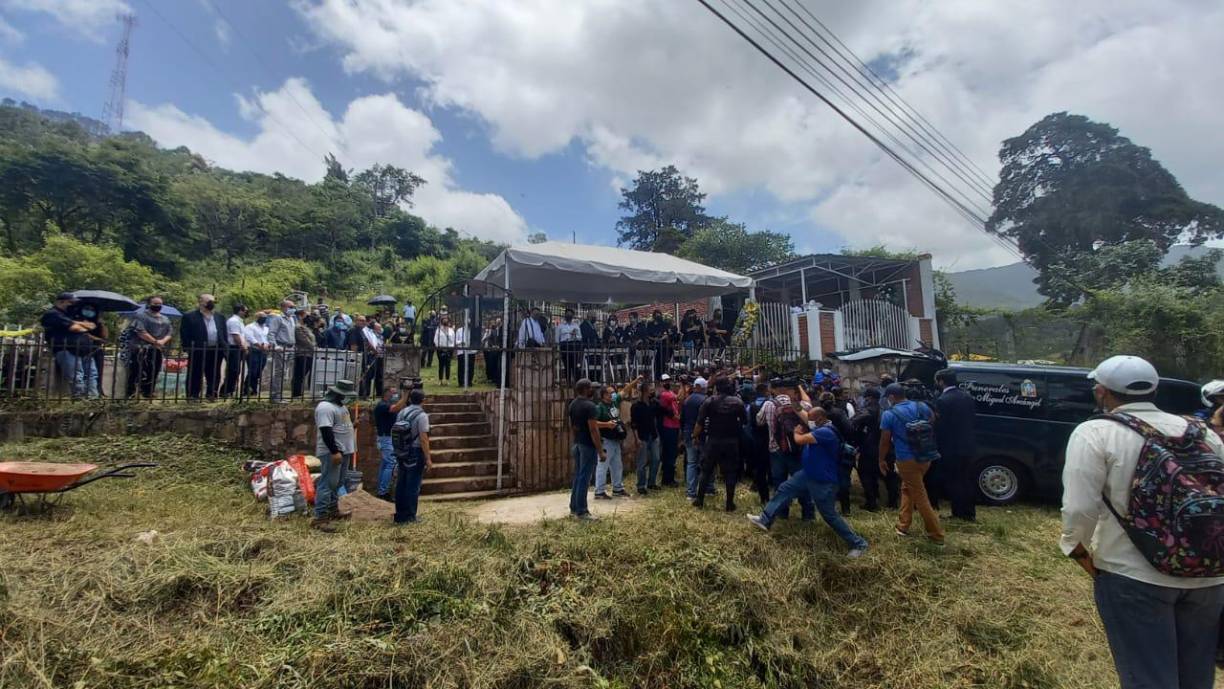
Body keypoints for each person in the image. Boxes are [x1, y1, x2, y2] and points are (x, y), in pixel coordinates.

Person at [1061, 355, 1224, 689]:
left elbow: (1079, 508)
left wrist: (1078, 552)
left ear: (1101, 392)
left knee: (1148, 678)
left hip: (1133, 574)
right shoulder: (1204, 433)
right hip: (1209, 575)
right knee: (1196, 678)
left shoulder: (1096, 432)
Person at [748, 407, 870, 559]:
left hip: (823, 479)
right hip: (808, 473)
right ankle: (765, 519)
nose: (808, 422)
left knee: (829, 515)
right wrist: (795, 401)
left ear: (819, 418)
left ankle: (858, 543)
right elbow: (804, 414)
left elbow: (799, 440)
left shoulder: (824, 432)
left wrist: (796, 431)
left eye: (811, 419)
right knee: (785, 489)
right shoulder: (824, 426)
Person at [879, 383, 944, 545]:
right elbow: (932, 422)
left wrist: (881, 459)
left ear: (892, 397)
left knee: (920, 496)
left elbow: (885, 441)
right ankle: (903, 525)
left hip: (906, 460)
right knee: (908, 488)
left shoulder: (889, 414)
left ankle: (937, 535)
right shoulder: (922, 407)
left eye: (888, 398)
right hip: (926, 456)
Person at [692, 377, 746, 511]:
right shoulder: (738, 402)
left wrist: (695, 436)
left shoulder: (709, 401)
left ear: (717, 388)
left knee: (706, 470)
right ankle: (729, 503)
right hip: (731, 441)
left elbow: (699, 422)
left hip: (713, 440)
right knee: (730, 473)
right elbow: (744, 421)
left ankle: (699, 500)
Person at [760, 389, 815, 520]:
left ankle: (782, 513)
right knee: (802, 482)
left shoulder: (769, 405)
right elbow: (809, 405)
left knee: (779, 483)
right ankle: (808, 514)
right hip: (797, 449)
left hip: (776, 449)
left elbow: (759, 421)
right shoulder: (800, 405)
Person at [932, 369, 978, 521]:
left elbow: (941, 427)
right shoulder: (967, 397)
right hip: (968, 445)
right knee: (966, 479)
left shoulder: (943, 400)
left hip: (951, 447)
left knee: (954, 480)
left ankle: (958, 513)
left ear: (941, 381)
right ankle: (969, 512)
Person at [313, 379, 357, 530]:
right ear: (337, 393)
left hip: (345, 450)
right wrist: (334, 451)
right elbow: (326, 430)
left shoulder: (341, 406)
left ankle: (332, 510)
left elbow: (340, 425)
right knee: (327, 483)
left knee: (338, 483)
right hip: (333, 452)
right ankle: (320, 517)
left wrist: (353, 425)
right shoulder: (325, 407)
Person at [569, 378, 613, 519]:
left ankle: (574, 507)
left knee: (578, 476)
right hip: (587, 445)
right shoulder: (590, 406)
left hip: (578, 443)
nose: (593, 390)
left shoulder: (573, 404)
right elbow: (593, 429)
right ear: (586, 389)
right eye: (591, 388)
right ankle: (582, 511)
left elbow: (574, 426)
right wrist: (600, 451)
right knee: (585, 478)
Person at [40, 292, 96, 399]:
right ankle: (81, 401)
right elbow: (75, 328)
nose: (73, 305)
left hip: (84, 349)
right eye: (71, 302)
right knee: (76, 377)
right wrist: (82, 326)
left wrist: (79, 324)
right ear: (61, 302)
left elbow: (91, 326)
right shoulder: (52, 314)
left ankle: (93, 399)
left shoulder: (69, 314)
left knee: (91, 375)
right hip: (66, 349)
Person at [851, 388, 898, 511]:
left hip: (870, 448)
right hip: (888, 447)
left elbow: (853, 422)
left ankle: (871, 503)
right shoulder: (886, 409)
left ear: (869, 398)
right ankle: (893, 503)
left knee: (866, 474)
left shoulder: (868, 410)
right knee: (889, 475)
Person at [390, 388, 432, 524]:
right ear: (423, 400)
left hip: (402, 451)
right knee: (413, 485)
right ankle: (410, 516)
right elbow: (424, 438)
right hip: (415, 451)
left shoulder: (402, 412)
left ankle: (400, 514)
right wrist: (428, 458)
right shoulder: (422, 416)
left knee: (401, 483)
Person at [180, 294, 228, 401]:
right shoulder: (190, 316)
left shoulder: (219, 317)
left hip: (215, 349)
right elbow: (185, 334)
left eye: (213, 302)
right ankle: (193, 395)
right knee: (195, 372)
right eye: (209, 301)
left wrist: (224, 346)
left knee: (214, 373)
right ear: (201, 302)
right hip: (198, 349)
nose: (211, 304)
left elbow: (223, 333)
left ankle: (212, 394)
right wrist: (188, 348)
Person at [124, 297, 172, 399]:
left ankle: (148, 392)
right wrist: (154, 341)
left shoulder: (165, 319)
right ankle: (131, 393)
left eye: (160, 304)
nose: (158, 306)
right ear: (149, 304)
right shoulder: (140, 316)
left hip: (157, 349)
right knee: (137, 371)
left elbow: (169, 332)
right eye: (155, 303)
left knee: (154, 371)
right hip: (141, 348)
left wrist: (162, 342)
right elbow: (141, 332)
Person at [594, 379, 635, 499]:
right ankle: (599, 491)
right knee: (603, 466)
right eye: (610, 392)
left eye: (613, 392)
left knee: (617, 465)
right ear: (603, 395)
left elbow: (625, 390)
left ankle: (618, 488)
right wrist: (606, 424)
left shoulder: (614, 402)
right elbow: (593, 423)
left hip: (616, 440)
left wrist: (636, 381)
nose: (613, 394)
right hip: (606, 440)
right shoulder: (599, 408)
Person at [681, 377, 715, 499]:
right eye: (705, 387)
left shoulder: (687, 400)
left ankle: (691, 492)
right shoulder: (706, 400)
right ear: (699, 387)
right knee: (707, 462)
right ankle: (708, 488)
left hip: (688, 434)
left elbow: (682, 419)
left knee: (691, 463)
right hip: (702, 435)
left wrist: (684, 434)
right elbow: (707, 420)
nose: (706, 389)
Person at [631, 381, 662, 494]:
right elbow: (633, 424)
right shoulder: (636, 406)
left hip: (653, 435)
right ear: (645, 391)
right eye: (650, 389)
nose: (652, 391)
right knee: (642, 462)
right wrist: (636, 439)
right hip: (642, 436)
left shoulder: (653, 404)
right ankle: (641, 485)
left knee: (656, 459)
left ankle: (651, 482)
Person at [71, 301, 107, 398]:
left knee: (95, 373)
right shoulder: (77, 320)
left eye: (91, 310)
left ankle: (97, 392)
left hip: (96, 350)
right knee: (80, 373)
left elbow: (104, 339)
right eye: (86, 309)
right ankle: (82, 394)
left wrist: (92, 337)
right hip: (81, 350)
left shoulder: (97, 323)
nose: (89, 311)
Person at [746, 382, 774, 507]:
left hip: (756, 439)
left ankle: (764, 497)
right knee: (772, 466)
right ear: (765, 391)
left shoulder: (751, 406)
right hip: (771, 438)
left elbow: (747, 424)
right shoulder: (771, 405)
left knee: (759, 468)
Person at [266, 299, 298, 402]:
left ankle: (279, 395)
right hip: (281, 347)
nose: (293, 309)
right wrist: (275, 346)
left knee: (285, 373)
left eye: (293, 307)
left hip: (290, 347)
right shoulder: (278, 318)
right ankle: (275, 396)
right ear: (283, 307)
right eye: (291, 307)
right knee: (279, 372)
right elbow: (271, 333)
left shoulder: (292, 319)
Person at [373, 387, 399, 500]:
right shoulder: (382, 405)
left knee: (384, 465)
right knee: (391, 463)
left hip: (387, 438)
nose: (395, 395)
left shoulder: (387, 405)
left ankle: (381, 490)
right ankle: (383, 491)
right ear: (386, 394)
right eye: (393, 393)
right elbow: (395, 408)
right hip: (385, 438)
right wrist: (406, 395)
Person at [658, 374, 681, 487]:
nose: (667, 382)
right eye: (665, 381)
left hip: (674, 426)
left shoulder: (671, 393)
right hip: (668, 427)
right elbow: (679, 398)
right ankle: (668, 479)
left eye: (668, 380)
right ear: (661, 382)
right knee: (670, 453)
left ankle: (668, 477)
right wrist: (684, 384)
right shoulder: (663, 394)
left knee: (671, 453)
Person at [222, 303, 249, 398]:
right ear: (240, 311)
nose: (247, 312)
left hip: (238, 348)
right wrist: (242, 346)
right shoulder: (234, 321)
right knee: (233, 370)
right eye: (245, 310)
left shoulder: (240, 321)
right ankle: (225, 390)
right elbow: (236, 336)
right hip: (233, 348)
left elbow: (242, 335)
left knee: (236, 370)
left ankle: (229, 390)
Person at [242, 311, 271, 396]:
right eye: (262, 317)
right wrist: (259, 345)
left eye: (265, 317)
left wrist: (267, 345)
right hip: (253, 350)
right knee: (253, 370)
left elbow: (267, 338)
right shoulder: (250, 327)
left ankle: (254, 389)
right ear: (257, 317)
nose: (264, 319)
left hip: (263, 351)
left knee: (259, 371)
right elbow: (250, 338)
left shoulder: (266, 328)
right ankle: (246, 388)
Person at [355, 315, 385, 397]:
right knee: (367, 376)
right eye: (361, 320)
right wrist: (374, 351)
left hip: (378, 356)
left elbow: (369, 344)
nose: (363, 322)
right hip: (367, 356)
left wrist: (376, 351)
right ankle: (364, 393)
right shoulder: (362, 331)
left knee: (377, 376)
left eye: (364, 321)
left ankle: (374, 393)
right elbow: (366, 343)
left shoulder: (374, 334)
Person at [293, 313, 317, 398]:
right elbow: (304, 340)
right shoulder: (298, 327)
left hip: (309, 354)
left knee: (303, 374)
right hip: (303, 353)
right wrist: (313, 347)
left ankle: (299, 392)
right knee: (299, 374)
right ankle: (296, 393)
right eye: (307, 317)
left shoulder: (307, 328)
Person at [556, 308, 582, 383]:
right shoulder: (560, 326)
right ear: (565, 315)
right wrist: (558, 349)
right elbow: (557, 339)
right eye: (567, 314)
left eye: (570, 315)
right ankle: (568, 382)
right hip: (564, 345)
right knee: (566, 365)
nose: (569, 316)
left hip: (573, 345)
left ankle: (576, 382)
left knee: (574, 365)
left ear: (573, 316)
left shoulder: (576, 326)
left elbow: (580, 337)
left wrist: (575, 335)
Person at [433, 315, 456, 385]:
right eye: (444, 319)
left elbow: (453, 340)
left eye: (446, 319)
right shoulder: (438, 330)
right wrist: (439, 347)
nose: (445, 321)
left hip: (449, 349)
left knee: (448, 365)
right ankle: (440, 380)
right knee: (441, 365)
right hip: (440, 349)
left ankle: (447, 380)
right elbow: (435, 340)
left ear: (448, 321)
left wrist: (451, 348)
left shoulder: (451, 331)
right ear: (442, 321)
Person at [455, 319, 476, 387]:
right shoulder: (459, 330)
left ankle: (469, 381)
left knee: (471, 367)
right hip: (461, 351)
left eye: (469, 323)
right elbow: (456, 341)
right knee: (461, 367)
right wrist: (461, 342)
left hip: (471, 351)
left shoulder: (473, 331)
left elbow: (476, 340)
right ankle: (461, 382)